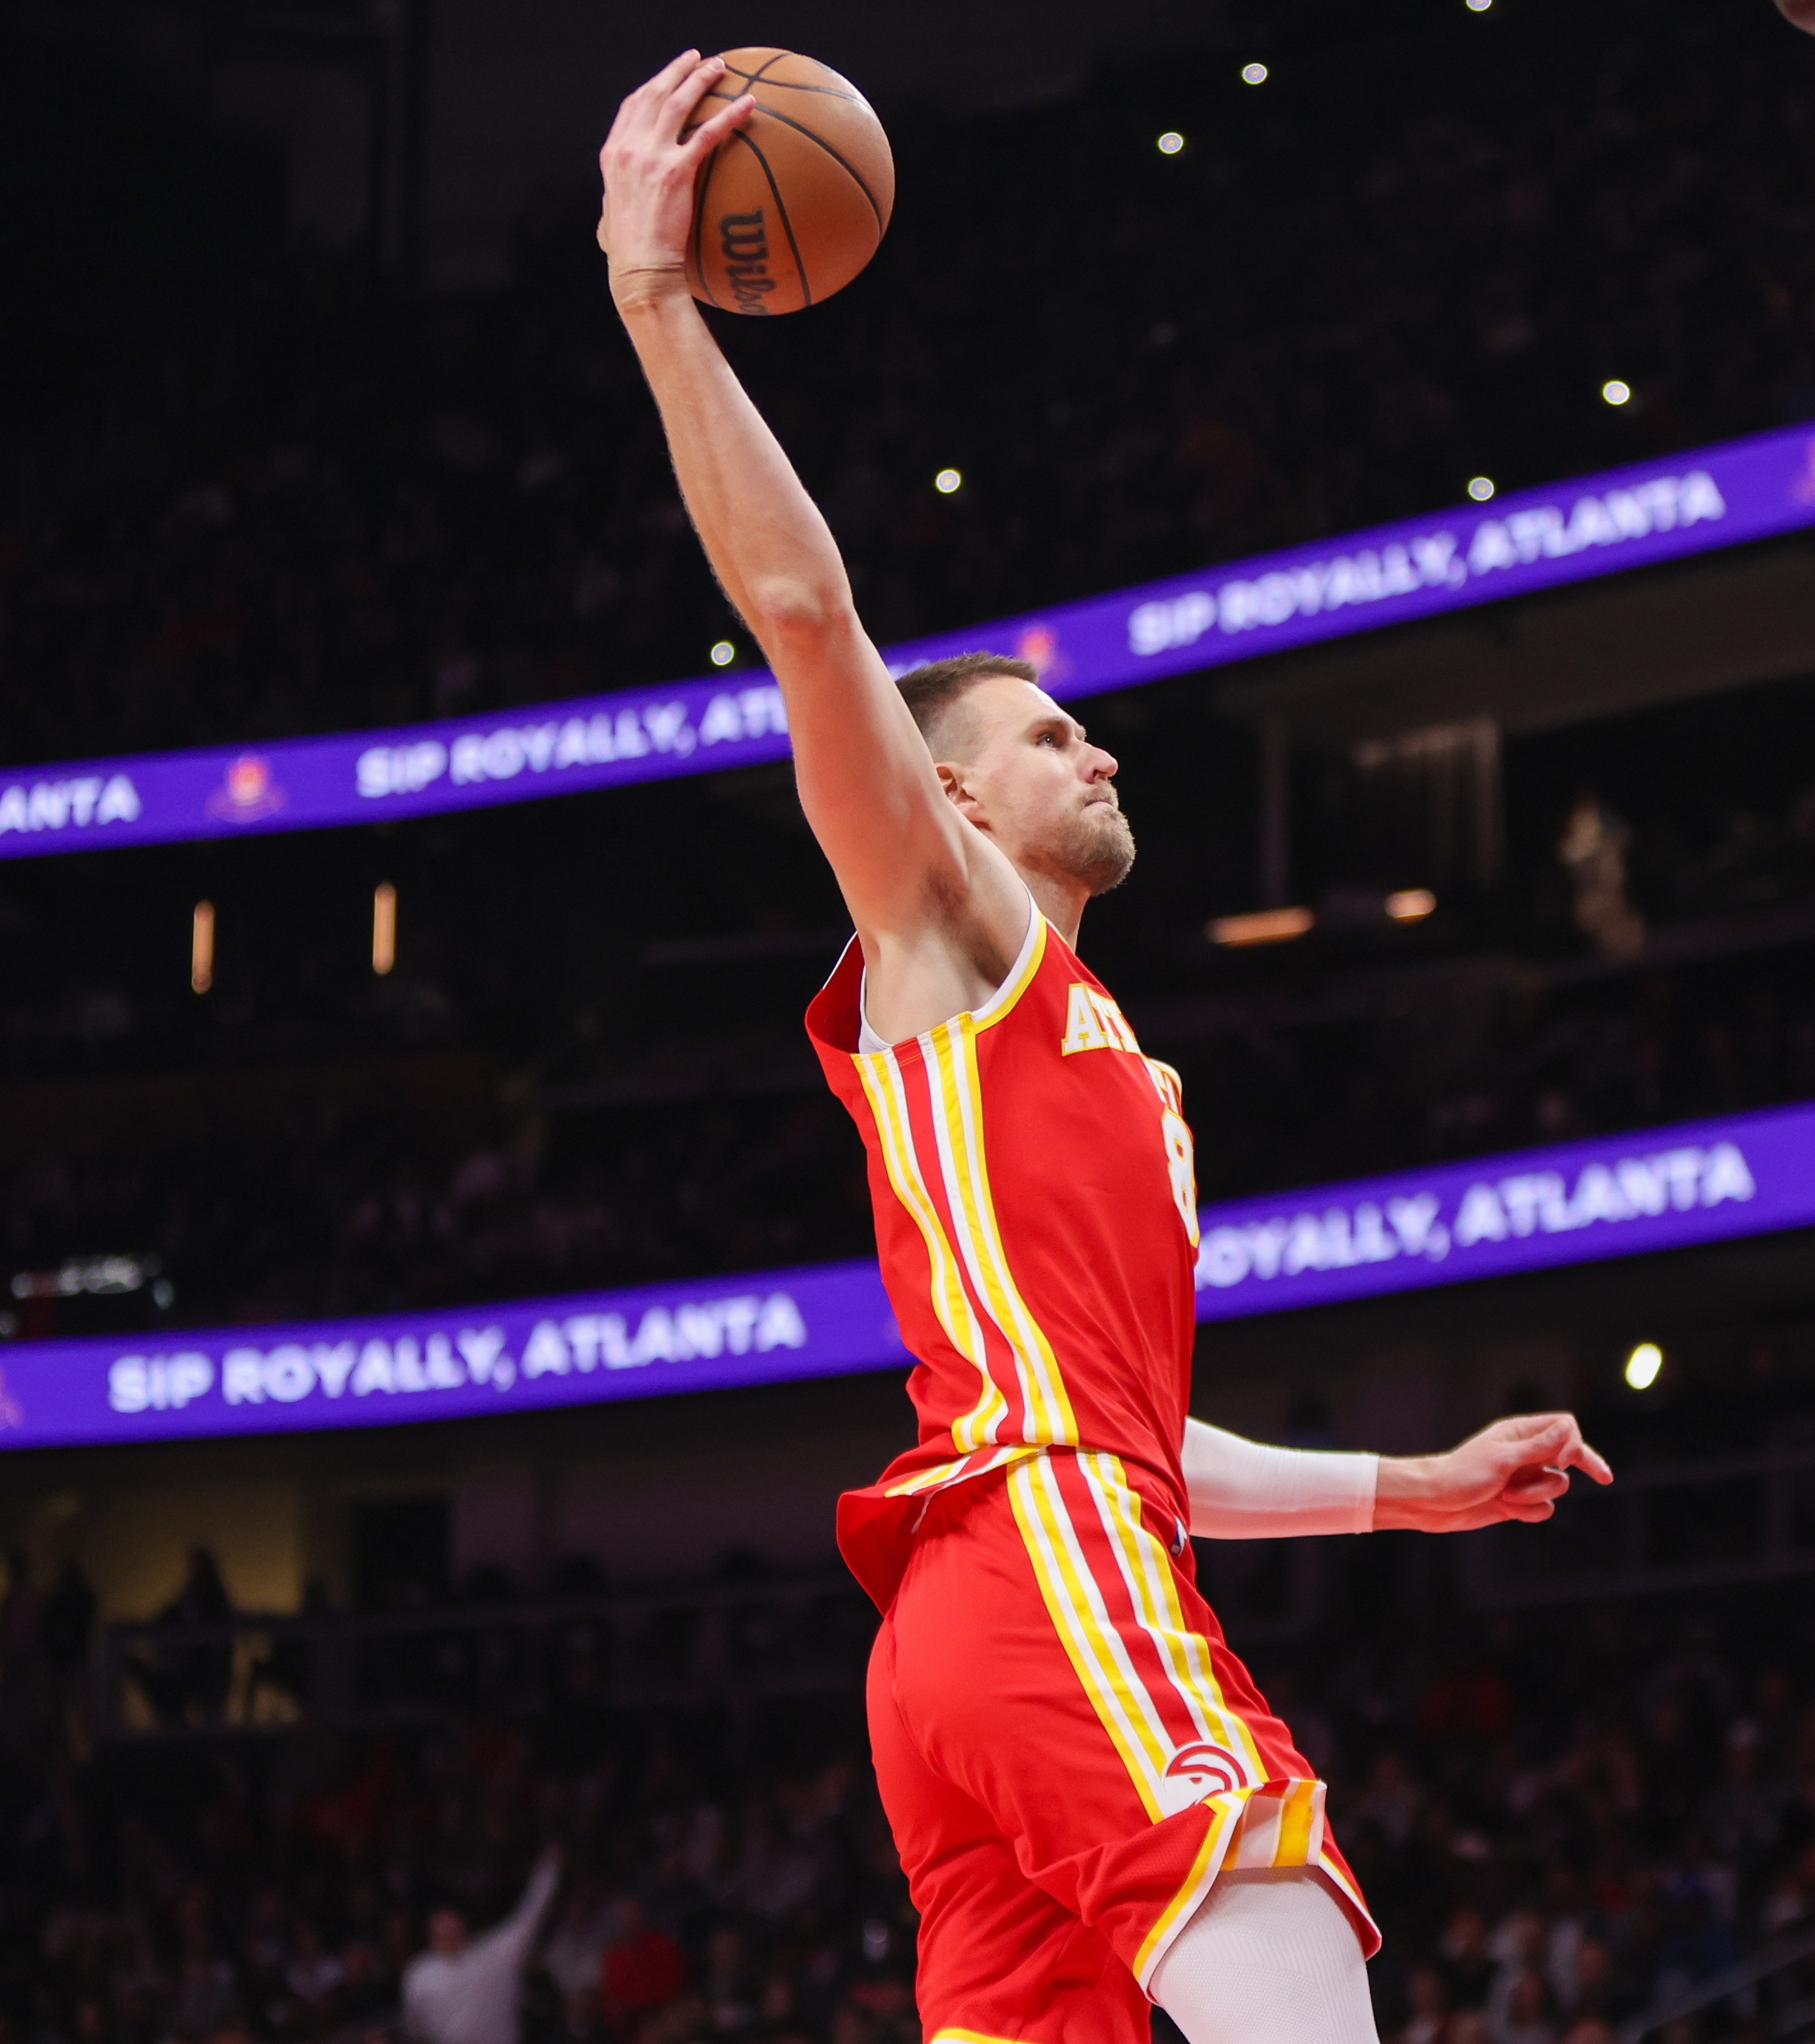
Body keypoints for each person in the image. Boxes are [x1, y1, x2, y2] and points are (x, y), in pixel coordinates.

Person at [595, 55, 1616, 2044]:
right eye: (1050, 737)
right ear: (954, 801)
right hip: (1038, 1555)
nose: (1103, 750)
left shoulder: (1110, 1059)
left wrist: (1412, 1486)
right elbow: (804, 613)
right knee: (1299, 1972)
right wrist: (655, 296)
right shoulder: (949, 926)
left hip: (984, 1613)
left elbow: (1138, 1439)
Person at [402, 1849, 560, 2044]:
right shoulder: (419, 1973)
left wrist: (549, 1869)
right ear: (431, 1937)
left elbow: (531, 1914)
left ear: (465, 1930)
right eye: (442, 1934)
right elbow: (415, 2028)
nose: (449, 1937)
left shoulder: (495, 1954)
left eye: (453, 1932)